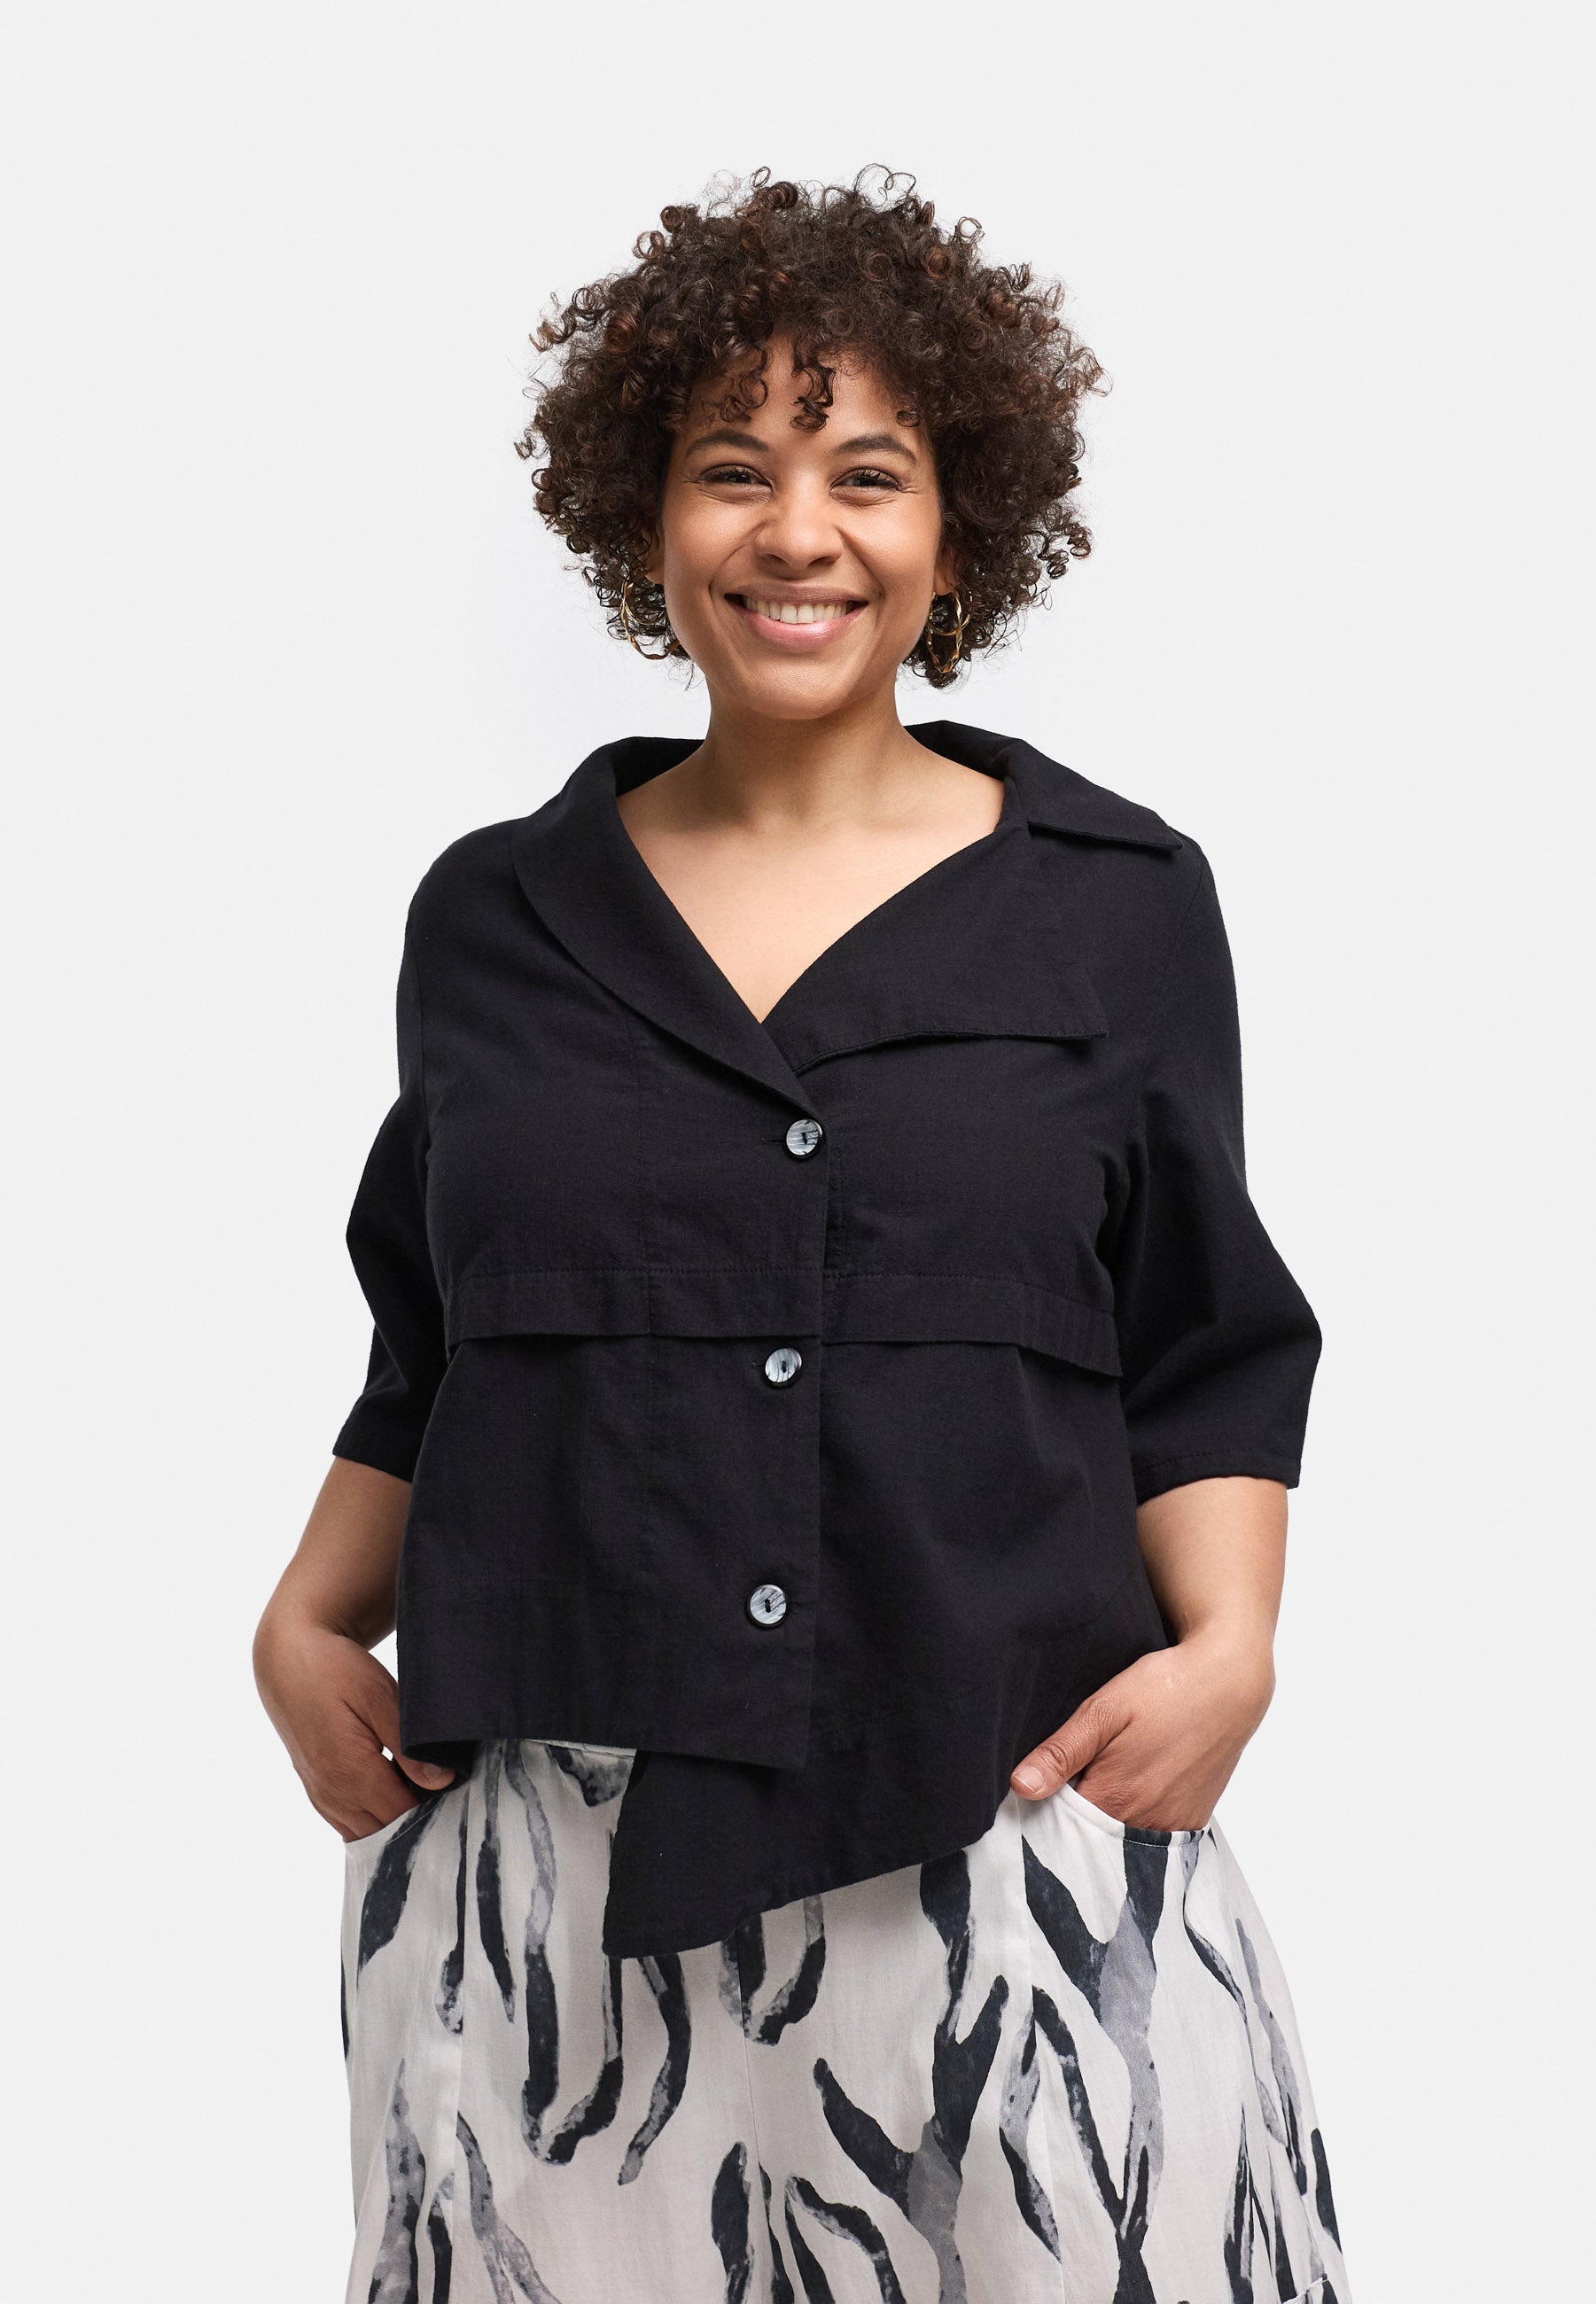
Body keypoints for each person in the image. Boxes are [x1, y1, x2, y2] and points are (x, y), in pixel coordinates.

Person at [254, 167, 1351, 2304]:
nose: (796, 533)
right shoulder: (491, 916)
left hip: (996, 1864)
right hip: (549, 1916)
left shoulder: (1121, 903)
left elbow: (1202, 1334)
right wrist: (304, 1614)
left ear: (956, 527)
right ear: (643, 513)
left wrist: (1232, 1644)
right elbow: (437, 1340)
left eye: (867, 474)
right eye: (731, 469)